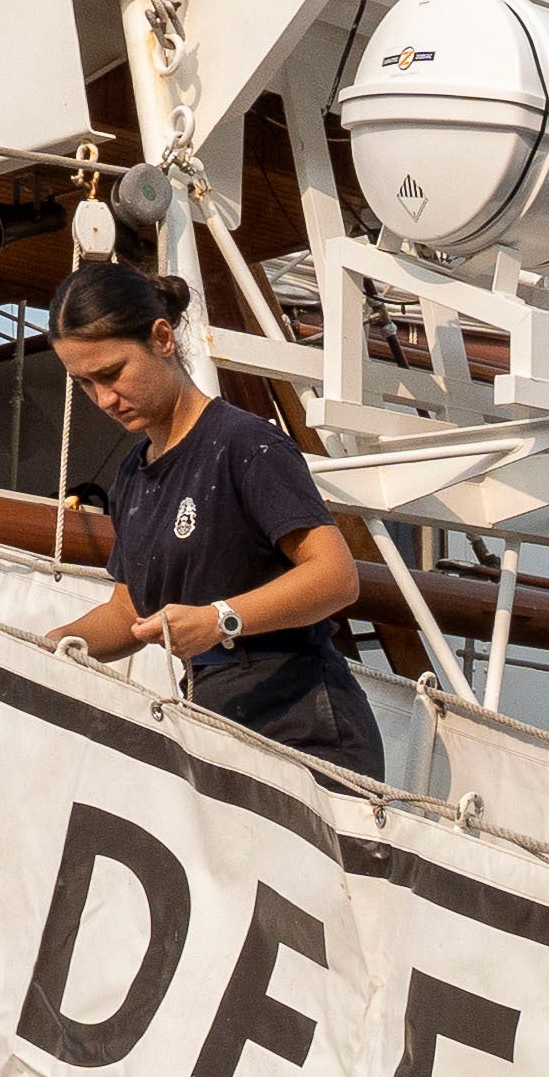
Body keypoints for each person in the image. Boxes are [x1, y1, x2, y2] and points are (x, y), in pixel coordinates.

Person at [44, 257, 386, 772]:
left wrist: (219, 619)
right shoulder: (133, 478)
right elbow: (127, 612)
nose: (105, 399)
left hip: (301, 721)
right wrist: (44, 647)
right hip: (215, 719)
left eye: (112, 373)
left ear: (162, 339)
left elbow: (336, 577)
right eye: (86, 384)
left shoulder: (245, 443)